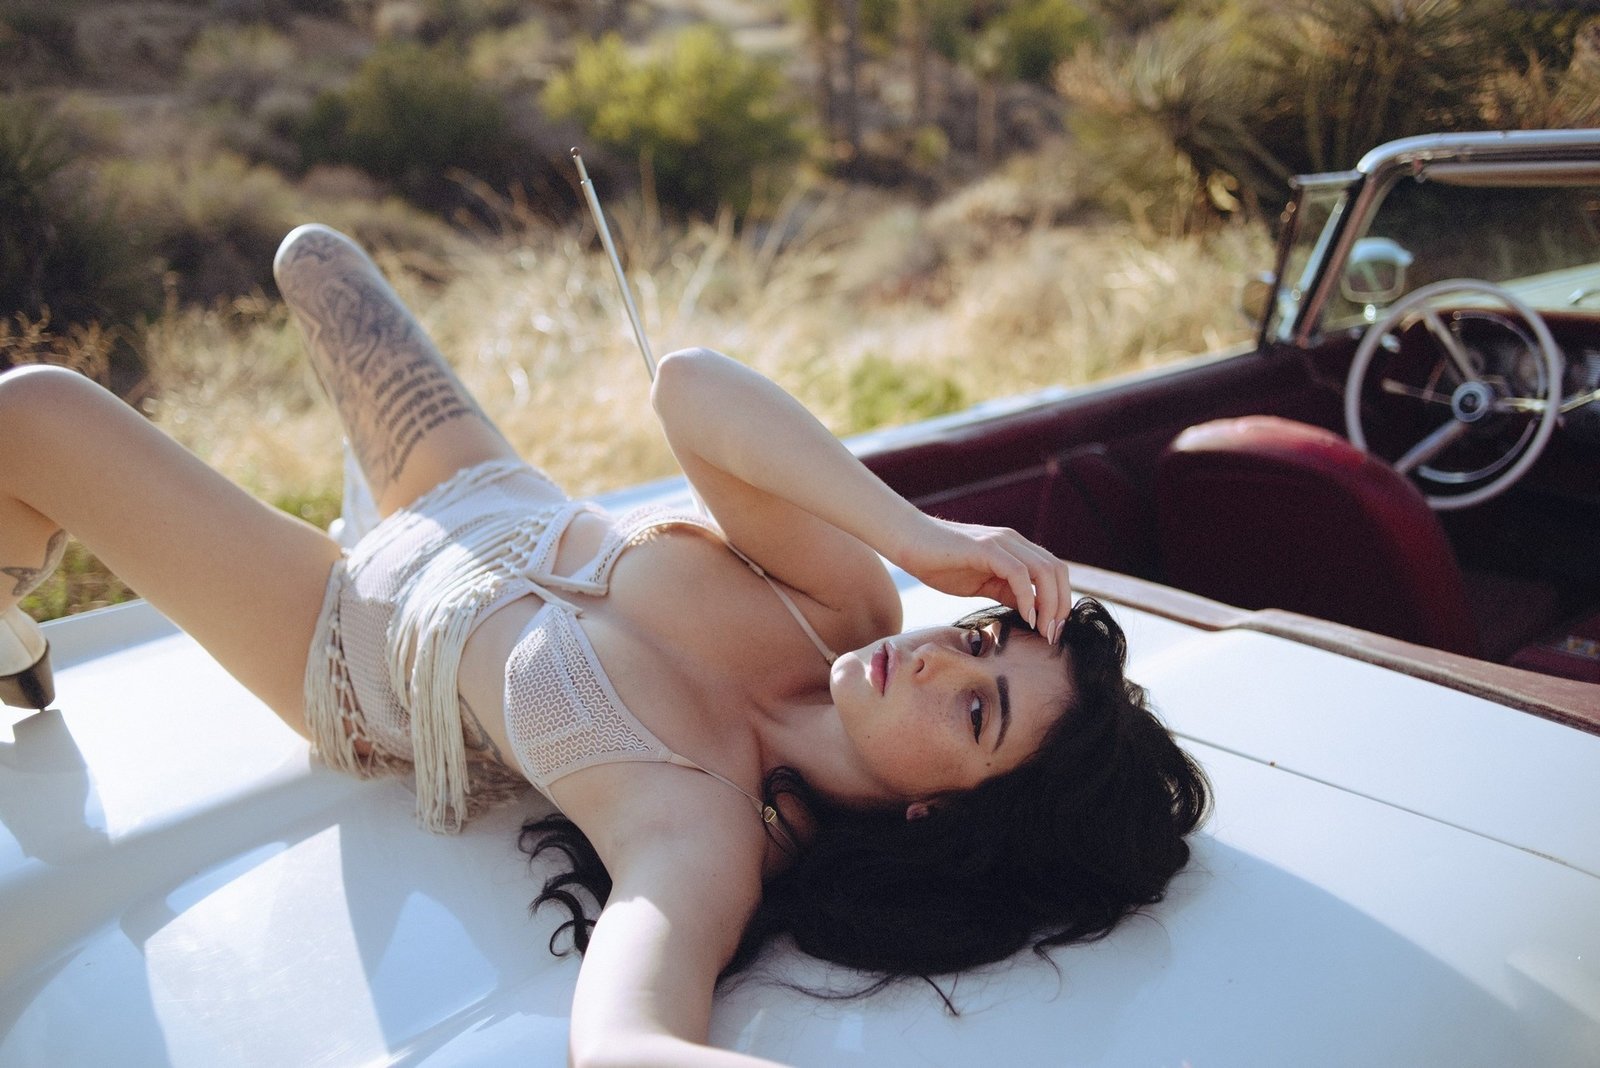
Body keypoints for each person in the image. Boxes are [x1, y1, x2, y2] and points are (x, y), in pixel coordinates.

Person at [0, 224, 1209, 1066]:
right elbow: (689, 389)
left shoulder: (704, 838)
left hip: (342, 635)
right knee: (311, 255)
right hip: (480, 493)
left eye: (977, 711)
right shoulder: (852, 608)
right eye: (982, 638)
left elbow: (627, 1040)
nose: (942, 661)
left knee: (31, 412)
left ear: (942, 818)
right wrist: (918, 536)